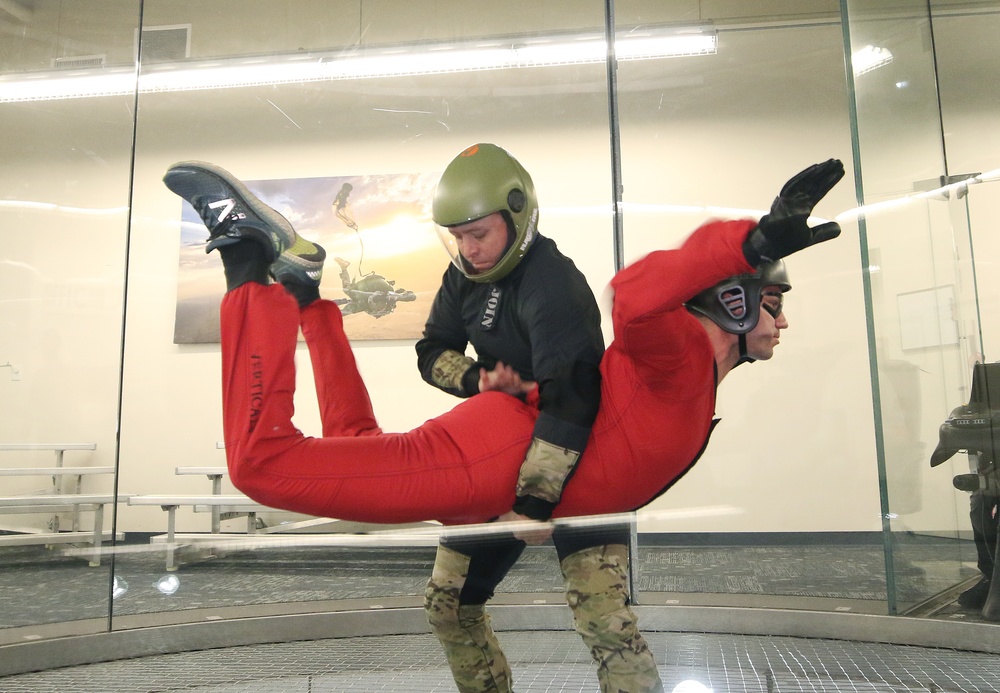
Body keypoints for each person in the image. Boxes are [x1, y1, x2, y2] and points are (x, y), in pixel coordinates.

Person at [162, 156, 844, 692]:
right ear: (731, 301)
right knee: (262, 464)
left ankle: (307, 294)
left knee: (373, 476)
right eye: (772, 304)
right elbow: (634, 296)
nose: (782, 321)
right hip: (507, 462)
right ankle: (251, 263)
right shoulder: (681, 357)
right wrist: (747, 243)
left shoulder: (698, 378)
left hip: (565, 494)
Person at [414, 143, 618, 691]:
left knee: (608, 629)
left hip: (580, 463)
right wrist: (475, 379)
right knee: (449, 606)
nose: (469, 249)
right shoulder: (465, 276)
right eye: (457, 236)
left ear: (516, 213)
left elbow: (572, 400)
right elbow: (432, 351)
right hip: (500, 458)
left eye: (478, 233)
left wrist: (532, 504)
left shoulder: (555, 283)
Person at [332, 256, 416, 318]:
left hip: (372, 284)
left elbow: (346, 310)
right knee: (347, 290)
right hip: (371, 285)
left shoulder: (362, 304)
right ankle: (343, 268)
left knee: (349, 292)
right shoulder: (388, 297)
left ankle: (343, 267)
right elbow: (410, 297)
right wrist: (404, 296)